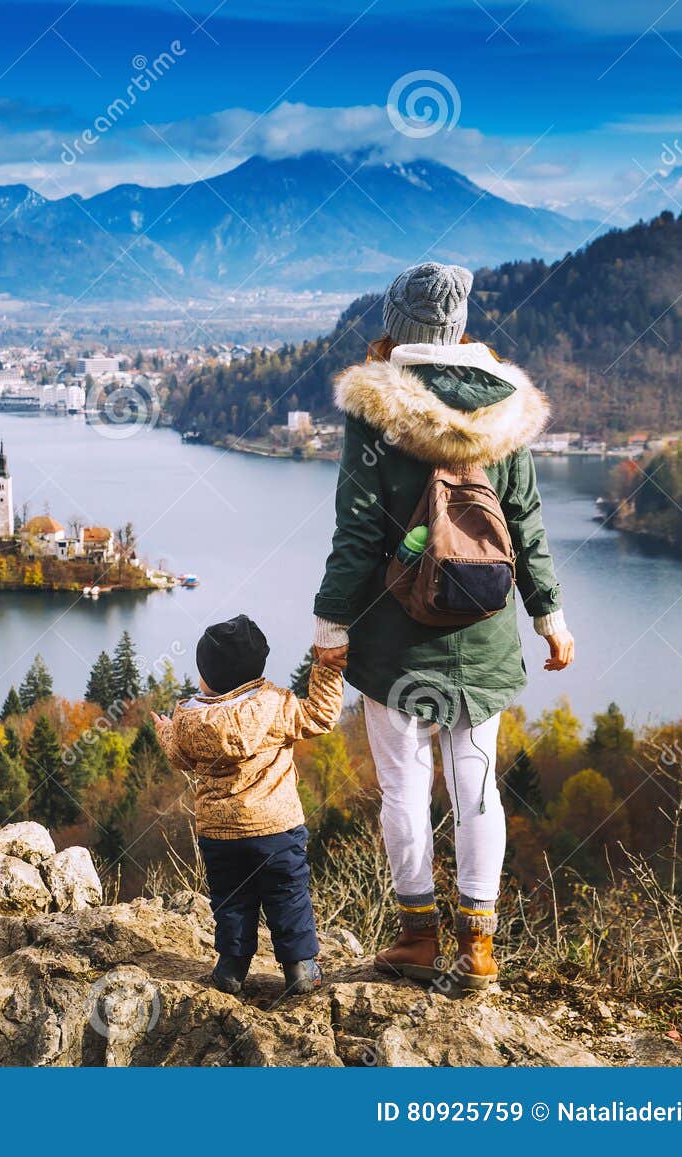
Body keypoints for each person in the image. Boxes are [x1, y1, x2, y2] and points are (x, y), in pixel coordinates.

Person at [311, 261, 574, 991]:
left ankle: (418, 937)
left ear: (396, 324)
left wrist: (332, 627)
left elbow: (358, 535)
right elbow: (522, 522)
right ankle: (479, 951)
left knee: (404, 788)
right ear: (458, 328)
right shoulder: (506, 408)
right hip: (484, 631)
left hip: (396, 640)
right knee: (477, 786)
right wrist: (549, 614)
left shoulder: (375, 407)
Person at [154, 614, 344, 998]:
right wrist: (325, 669)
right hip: (277, 829)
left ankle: (231, 967)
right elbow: (322, 716)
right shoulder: (275, 706)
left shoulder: (189, 718)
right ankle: (300, 967)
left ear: (207, 675)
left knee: (231, 900)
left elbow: (179, 757)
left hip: (219, 833)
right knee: (287, 895)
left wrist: (164, 731)